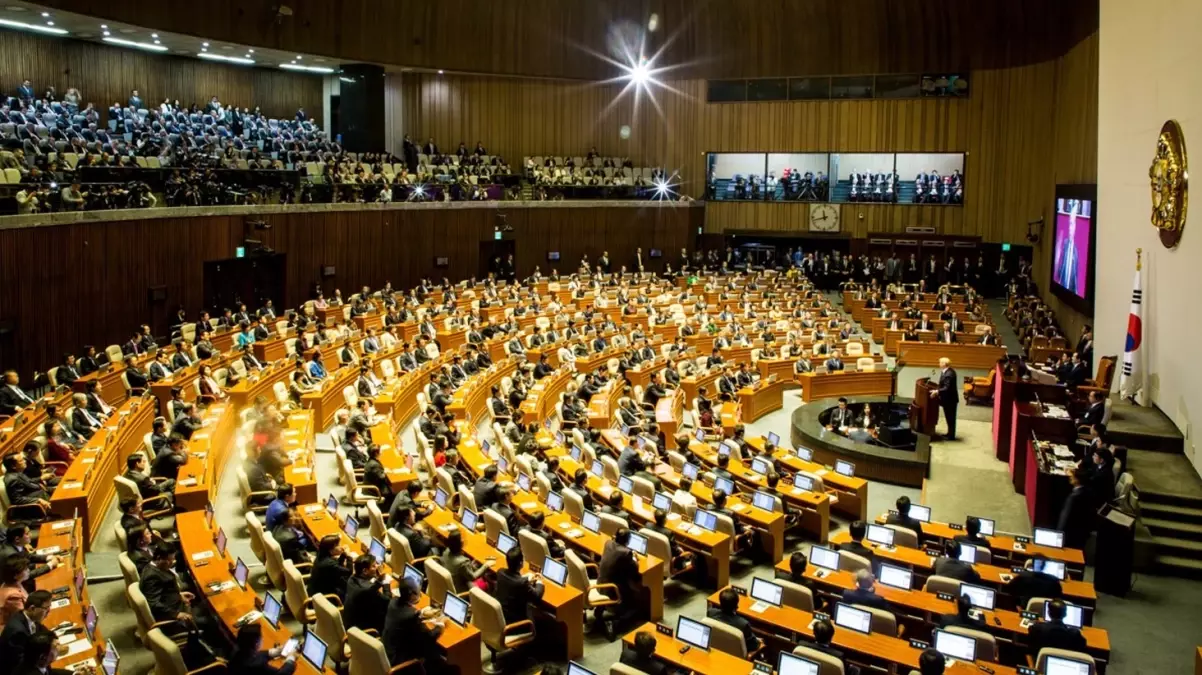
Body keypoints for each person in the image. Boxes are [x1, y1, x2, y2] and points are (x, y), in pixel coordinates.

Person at [383, 577, 448, 672]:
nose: (420, 595)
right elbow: (429, 637)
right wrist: (441, 624)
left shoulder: (393, 602)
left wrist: (421, 613)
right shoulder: (411, 616)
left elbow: (404, 617)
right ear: (411, 594)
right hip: (400, 660)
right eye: (418, 592)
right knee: (435, 653)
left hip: (388, 651)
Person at [598, 528, 644, 639]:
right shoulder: (626, 553)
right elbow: (634, 569)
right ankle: (615, 622)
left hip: (600, 582)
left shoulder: (608, 543)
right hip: (612, 589)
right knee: (634, 605)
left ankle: (600, 611)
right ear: (628, 540)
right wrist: (635, 559)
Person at [0, 589, 52, 670]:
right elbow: (23, 664)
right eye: (46, 608)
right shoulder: (17, 632)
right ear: (32, 608)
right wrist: (49, 652)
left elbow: (40, 628)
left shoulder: (26, 615)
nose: (49, 611)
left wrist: (53, 641)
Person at [495, 546, 545, 624]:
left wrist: (524, 578)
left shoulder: (500, 572)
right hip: (517, 623)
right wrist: (539, 581)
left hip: (502, 616)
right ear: (521, 563)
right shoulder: (521, 583)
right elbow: (537, 596)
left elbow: (513, 580)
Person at [344, 555, 391, 634]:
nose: (377, 566)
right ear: (365, 571)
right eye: (373, 566)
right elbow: (387, 601)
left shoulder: (351, 579)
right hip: (363, 629)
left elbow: (368, 588)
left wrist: (379, 579)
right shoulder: (368, 590)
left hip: (351, 622)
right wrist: (386, 583)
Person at [707, 587, 760, 653]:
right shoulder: (743, 624)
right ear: (736, 606)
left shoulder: (711, 613)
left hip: (716, 649)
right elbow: (753, 646)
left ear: (720, 603)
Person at [231, 622, 298, 675]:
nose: (262, 639)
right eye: (261, 637)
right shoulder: (258, 666)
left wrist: (275, 652)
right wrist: (291, 659)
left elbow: (255, 656)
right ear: (256, 644)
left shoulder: (238, 652)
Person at [1057, 467, 1096, 549]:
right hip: (1082, 533)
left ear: (1078, 480)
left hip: (1070, 534)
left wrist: (1059, 534)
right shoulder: (1089, 491)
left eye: (1073, 476)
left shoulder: (1073, 498)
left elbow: (1065, 518)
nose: (1070, 477)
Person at [934, 357, 958, 440]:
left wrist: (937, 391)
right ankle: (949, 433)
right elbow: (942, 385)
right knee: (949, 417)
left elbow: (946, 388)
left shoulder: (949, 374)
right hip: (947, 399)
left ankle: (951, 436)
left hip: (950, 400)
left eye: (940, 362)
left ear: (944, 364)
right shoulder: (946, 371)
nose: (939, 364)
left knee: (950, 418)